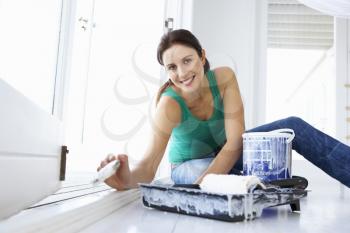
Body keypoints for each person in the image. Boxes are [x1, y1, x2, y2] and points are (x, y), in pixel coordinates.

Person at [97, 29, 350, 189]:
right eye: (172, 67)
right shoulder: (169, 105)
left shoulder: (225, 78)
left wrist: (207, 184)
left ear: (202, 56)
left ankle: (250, 182)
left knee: (292, 126)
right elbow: (148, 168)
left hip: (227, 151)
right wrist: (125, 179)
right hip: (189, 166)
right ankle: (252, 184)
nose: (182, 73)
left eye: (187, 60)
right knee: (215, 170)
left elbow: (235, 142)